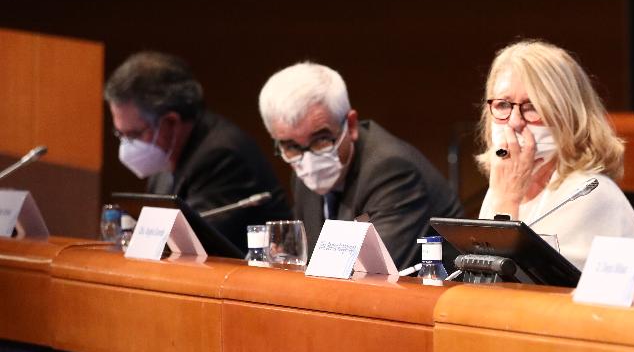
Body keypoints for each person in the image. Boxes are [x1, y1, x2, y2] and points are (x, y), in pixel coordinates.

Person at [258, 62, 462, 270]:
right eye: (291, 146)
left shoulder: (392, 170)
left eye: (321, 140)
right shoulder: (301, 174)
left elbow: (367, 275)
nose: (308, 161)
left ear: (352, 125)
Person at [476, 40, 634, 269]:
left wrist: (507, 202)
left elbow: (515, 287)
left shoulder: (589, 194)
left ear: (568, 115)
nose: (514, 121)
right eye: (504, 105)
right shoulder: (502, 187)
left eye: (532, 106)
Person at [105, 51, 290, 249]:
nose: (126, 145)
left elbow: (191, 246)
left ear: (170, 122)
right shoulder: (164, 159)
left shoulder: (222, 156)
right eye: (120, 135)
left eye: (133, 135)